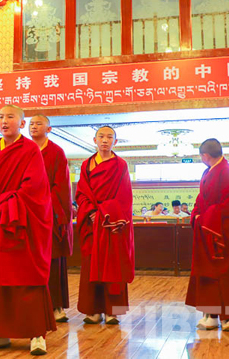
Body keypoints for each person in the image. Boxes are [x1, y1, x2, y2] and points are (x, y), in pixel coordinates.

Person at [0, 105, 55, 355]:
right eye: (0, 117)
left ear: (21, 123)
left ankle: (36, 334)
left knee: (26, 276)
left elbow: (35, 189)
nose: (4, 121)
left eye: (10, 117)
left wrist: (5, 208)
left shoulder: (30, 149)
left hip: (20, 223)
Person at [186, 139, 229, 332]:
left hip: (222, 233)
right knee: (209, 273)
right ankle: (211, 315)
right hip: (210, 230)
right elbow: (201, 199)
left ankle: (228, 318)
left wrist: (205, 218)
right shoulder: (210, 171)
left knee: (226, 273)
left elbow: (228, 206)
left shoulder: (225, 171)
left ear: (205, 156)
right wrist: (197, 215)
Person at [76, 126, 134, 326]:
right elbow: (81, 192)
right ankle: (93, 310)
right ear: (95, 140)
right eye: (101, 136)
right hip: (92, 223)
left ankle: (113, 312)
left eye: (109, 137)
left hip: (111, 224)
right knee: (91, 265)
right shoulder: (86, 164)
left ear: (115, 142)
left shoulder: (121, 165)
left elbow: (124, 196)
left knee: (113, 266)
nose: (105, 140)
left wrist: (105, 214)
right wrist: (91, 212)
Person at [29, 114, 73, 323]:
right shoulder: (23, 150)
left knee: (53, 260)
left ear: (49, 129)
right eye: (31, 124)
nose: (34, 126)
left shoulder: (56, 152)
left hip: (50, 213)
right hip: (27, 214)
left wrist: (46, 204)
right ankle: (32, 306)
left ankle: (56, 305)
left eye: (39, 123)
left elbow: (62, 185)